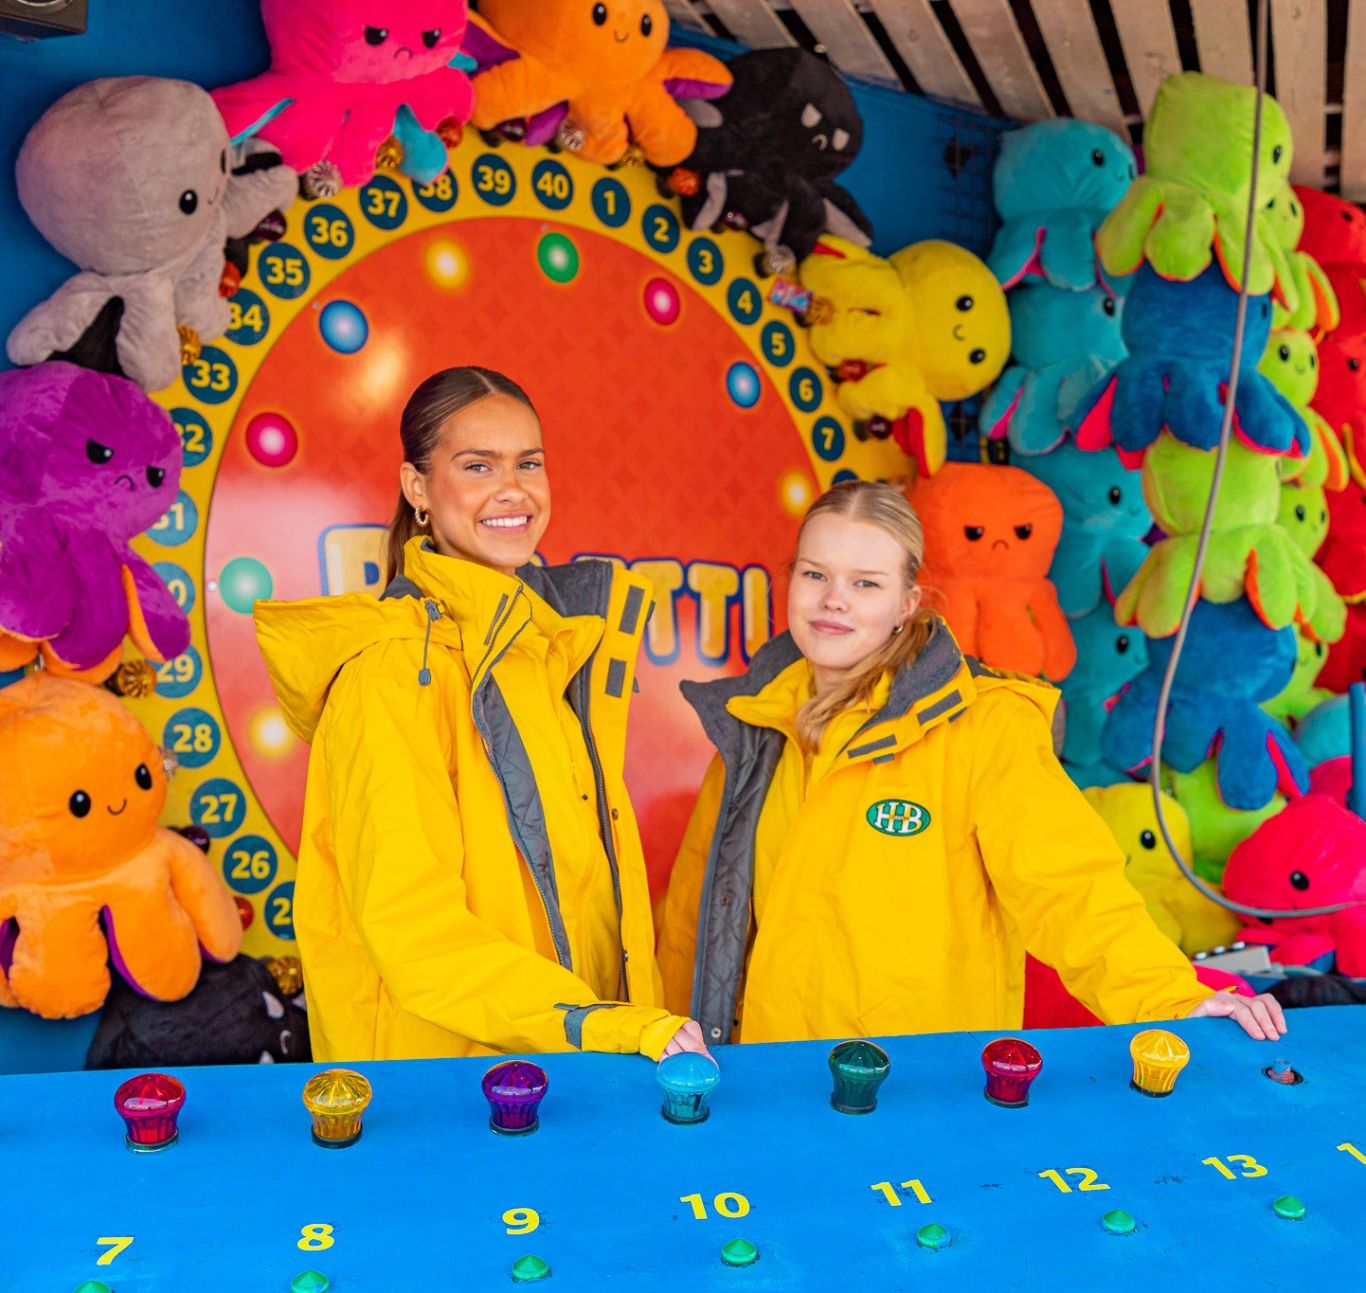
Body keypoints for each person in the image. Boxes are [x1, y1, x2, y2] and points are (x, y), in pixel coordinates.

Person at [658, 480, 1286, 1046]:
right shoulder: (755, 724)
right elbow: (697, 914)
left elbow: (1071, 891)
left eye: (866, 582)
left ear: (909, 601)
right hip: (769, 1086)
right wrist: (658, 1039)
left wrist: (1172, 998)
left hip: (918, 1096)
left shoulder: (986, 725)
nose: (833, 601)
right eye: (815, 575)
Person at [255, 366, 707, 1062]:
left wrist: (618, 1026)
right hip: (449, 1101)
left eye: (529, 463)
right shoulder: (390, 671)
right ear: (418, 489)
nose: (514, 490)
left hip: (563, 1077)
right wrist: (599, 1025)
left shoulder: (548, 648)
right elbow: (416, 930)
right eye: (478, 465)